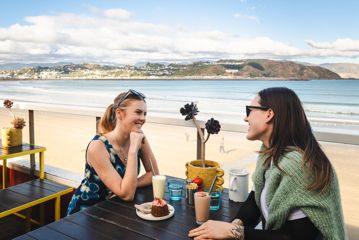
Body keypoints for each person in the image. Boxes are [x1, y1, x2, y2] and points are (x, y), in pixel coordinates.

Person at [189, 87, 345, 240]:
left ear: (269, 114)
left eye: (249, 110)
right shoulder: (270, 153)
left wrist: (233, 232)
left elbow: (296, 236)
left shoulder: (301, 167)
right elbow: (256, 199)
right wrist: (233, 226)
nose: (245, 118)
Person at [67, 89, 159, 215]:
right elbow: (127, 195)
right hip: (87, 213)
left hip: (115, 209)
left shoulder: (139, 136)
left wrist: (131, 185)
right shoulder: (98, 146)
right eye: (138, 112)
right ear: (119, 113)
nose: (142, 118)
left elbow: (154, 174)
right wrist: (133, 150)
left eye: (145, 114)